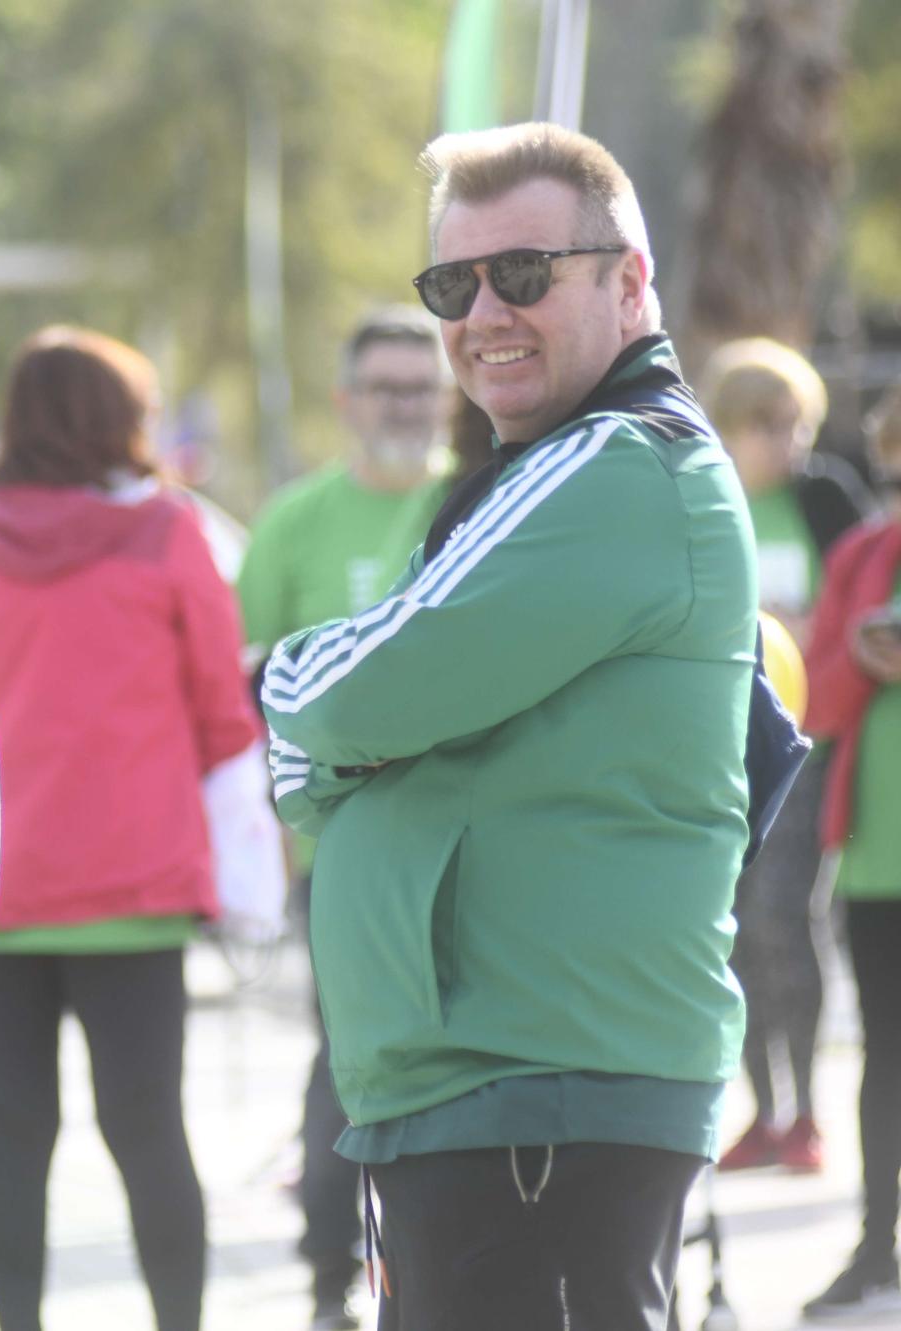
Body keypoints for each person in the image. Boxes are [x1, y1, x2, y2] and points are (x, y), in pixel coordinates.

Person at [261, 123, 754, 1331]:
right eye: (451, 283)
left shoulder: (613, 463)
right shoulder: (570, 461)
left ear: (628, 281)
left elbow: (340, 693)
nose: (482, 311)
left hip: (539, 1079)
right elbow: (387, 697)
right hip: (505, 1075)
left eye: (522, 274)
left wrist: (286, 690)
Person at [0, 327, 260, 1331]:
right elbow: (222, 713)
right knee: (148, 1130)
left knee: (13, 1134)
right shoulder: (168, 533)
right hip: (135, 886)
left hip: (1, 891)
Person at [235, 307, 452, 1329]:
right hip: (338, 851)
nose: (403, 404)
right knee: (350, 1053)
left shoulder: (480, 499)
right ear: (346, 400)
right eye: (385, 386)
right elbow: (244, 684)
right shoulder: (295, 520)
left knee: (455, 1059)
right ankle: (333, 1268)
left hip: (470, 850)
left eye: (420, 385)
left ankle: (435, 1265)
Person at [698, 337, 870, 1175]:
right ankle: (763, 1112)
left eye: (795, 422)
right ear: (726, 426)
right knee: (728, 932)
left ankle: (807, 1112)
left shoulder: (827, 498)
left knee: (785, 918)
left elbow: (862, 605)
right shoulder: (701, 497)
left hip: (803, 753)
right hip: (714, 750)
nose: (786, 439)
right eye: (765, 422)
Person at [800, 385, 901, 1319]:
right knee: (885, 1054)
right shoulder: (860, 554)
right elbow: (814, 703)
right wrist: (864, 661)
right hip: (877, 862)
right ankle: (879, 1246)